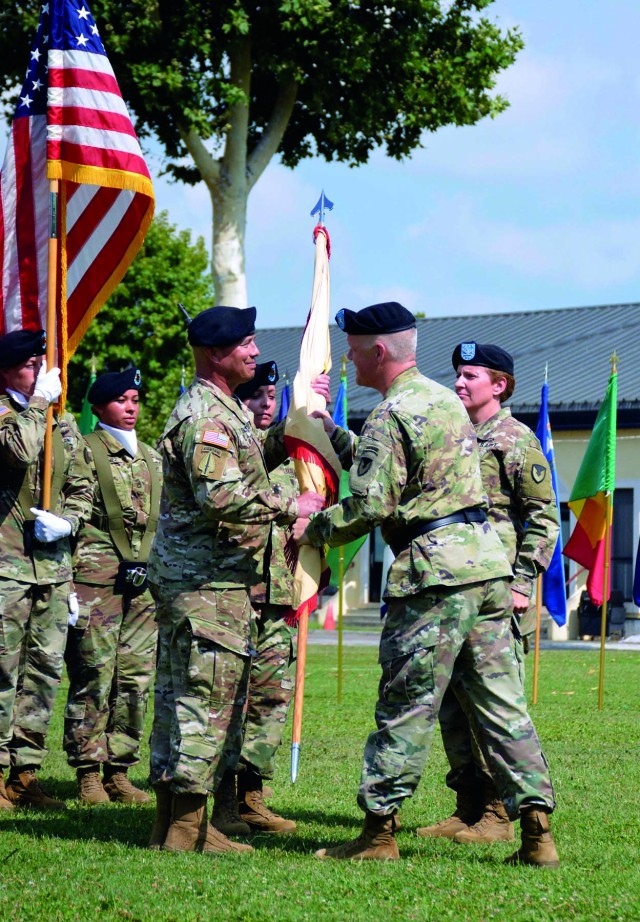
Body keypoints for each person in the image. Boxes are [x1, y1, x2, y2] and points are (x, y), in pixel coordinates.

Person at [294, 302, 559, 867]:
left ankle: (378, 835)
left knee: (406, 705)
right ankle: (537, 834)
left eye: (356, 349)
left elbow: (373, 501)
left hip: (434, 575)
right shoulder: (442, 401)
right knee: (502, 705)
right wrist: (332, 434)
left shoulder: (393, 413)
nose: (349, 358)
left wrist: (311, 526)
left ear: (379, 351)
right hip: (484, 567)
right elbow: (408, 473)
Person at [147, 306, 324, 856]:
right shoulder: (206, 417)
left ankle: (172, 826)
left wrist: (293, 427)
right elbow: (221, 497)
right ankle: (188, 832)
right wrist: (289, 503)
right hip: (208, 585)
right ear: (215, 354)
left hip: (207, 584)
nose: (254, 352)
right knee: (204, 705)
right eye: (245, 344)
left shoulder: (222, 410)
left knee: (185, 701)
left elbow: (239, 468)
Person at [418, 342, 560, 846]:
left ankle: (503, 813)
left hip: (498, 591)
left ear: (499, 384)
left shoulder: (515, 440)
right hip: (452, 588)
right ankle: (470, 805)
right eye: (457, 373)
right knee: (452, 706)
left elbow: (544, 518)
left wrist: (524, 582)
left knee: (494, 705)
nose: (459, 382)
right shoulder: (451, 435)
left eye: (471, 375)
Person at [212, 361, 331, 837]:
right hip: (235, 595)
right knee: (229, 700)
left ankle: (252, 794)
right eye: (256, 396)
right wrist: (300, 408)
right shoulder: (239, 450)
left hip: (279, 597)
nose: (265, 404)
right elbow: (257, 462)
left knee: (270, 700)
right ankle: (218, 799)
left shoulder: (290, 468)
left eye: (272, 396)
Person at [0, 329, 93, 810]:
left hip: (52, 571)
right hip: (7, 567)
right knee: (2, 670)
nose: (40, 370)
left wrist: (69, 522)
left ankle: (24, 773)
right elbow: (18, 450)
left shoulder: (61, 420)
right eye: (30, 363)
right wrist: (38, 403)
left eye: (42, 362)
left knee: (43, 674)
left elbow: (83, 484)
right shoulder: (9, 413)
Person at [63, 367, 162, 805]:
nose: (131, 408)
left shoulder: (153, 457)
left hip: (145, 580)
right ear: (99, 406)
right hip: (96, 578)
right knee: (94, 672)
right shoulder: (85, 451)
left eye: (136, 400)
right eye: (122, 400)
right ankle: (87, 769)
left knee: (136, 676)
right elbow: (74, 513)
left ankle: (119, 769)